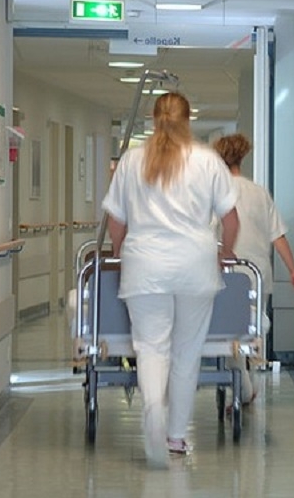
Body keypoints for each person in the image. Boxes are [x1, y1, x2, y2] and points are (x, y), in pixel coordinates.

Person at [101, 92, 239, 467]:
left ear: (153, 118)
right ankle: (175, 437)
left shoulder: (131, 161)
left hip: (145, 266)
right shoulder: (208, 161)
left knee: (151, 348)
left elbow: (116, 221)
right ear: (188, 119)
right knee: (186, 353)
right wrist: (225, 254)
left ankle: (153, 412)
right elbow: (231, 221)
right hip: (196, 267)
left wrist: (121, 252)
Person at [212, 133, 294, 404]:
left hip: (227, 270)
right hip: (257, 273)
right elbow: (278, 236)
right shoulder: (259, 193)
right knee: (252, 329)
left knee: (229, 331)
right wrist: (293, 270)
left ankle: (243, 386)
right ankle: (247, 382)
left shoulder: (214, 192)